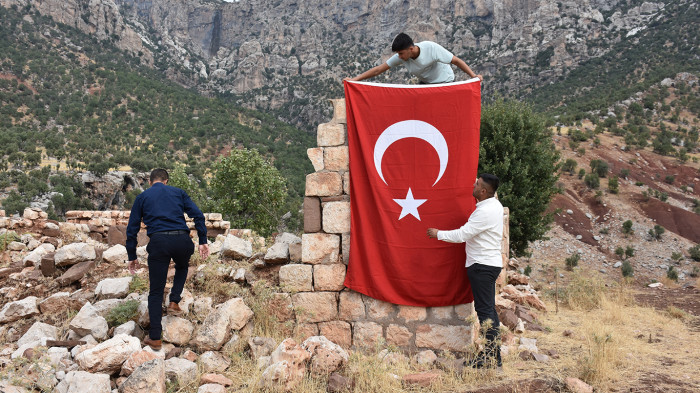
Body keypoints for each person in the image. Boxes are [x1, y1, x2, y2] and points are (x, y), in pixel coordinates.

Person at [126, 168, 209, 350]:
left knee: (155, 291)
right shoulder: (178, 192)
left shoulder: (142, 197)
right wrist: (203, 240)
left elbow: (131, 228)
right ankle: (174, 300)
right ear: (166, 181)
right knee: (182, 266)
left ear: (150, 182)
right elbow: (198, 215)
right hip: (182, 239)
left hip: (159, 242)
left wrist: (131, 255)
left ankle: (155, 337)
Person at [427, 173, 503, 369]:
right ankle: (493, 357)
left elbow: (463, 234)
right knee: (489, 312)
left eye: (477, 184)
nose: (473, 184)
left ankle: (489, 359)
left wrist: (438, 234)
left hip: (482, 266)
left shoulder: (485, 211)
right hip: (488, 264)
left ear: (483, 191)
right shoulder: (493, 205)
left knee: (485, 312)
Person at [346, 32, 482, 84]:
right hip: (426, 84)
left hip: (445, 82)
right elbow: (378, 70)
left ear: (411, 49)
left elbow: (456, 61)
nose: (399, 57)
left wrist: (473, 76)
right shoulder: (402, 57)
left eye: (400, 53)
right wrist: (354, 80)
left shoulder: (431, 48)